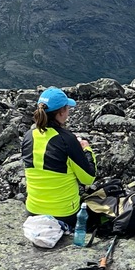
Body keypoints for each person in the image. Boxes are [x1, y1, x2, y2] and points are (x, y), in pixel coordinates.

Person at [21, 86, 97, 230]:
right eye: (68, 108)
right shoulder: (67, 139)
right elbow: (88, 178)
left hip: (32, 211)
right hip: (64, 215)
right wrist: (86, 149)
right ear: (61, 112)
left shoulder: (28, 136)